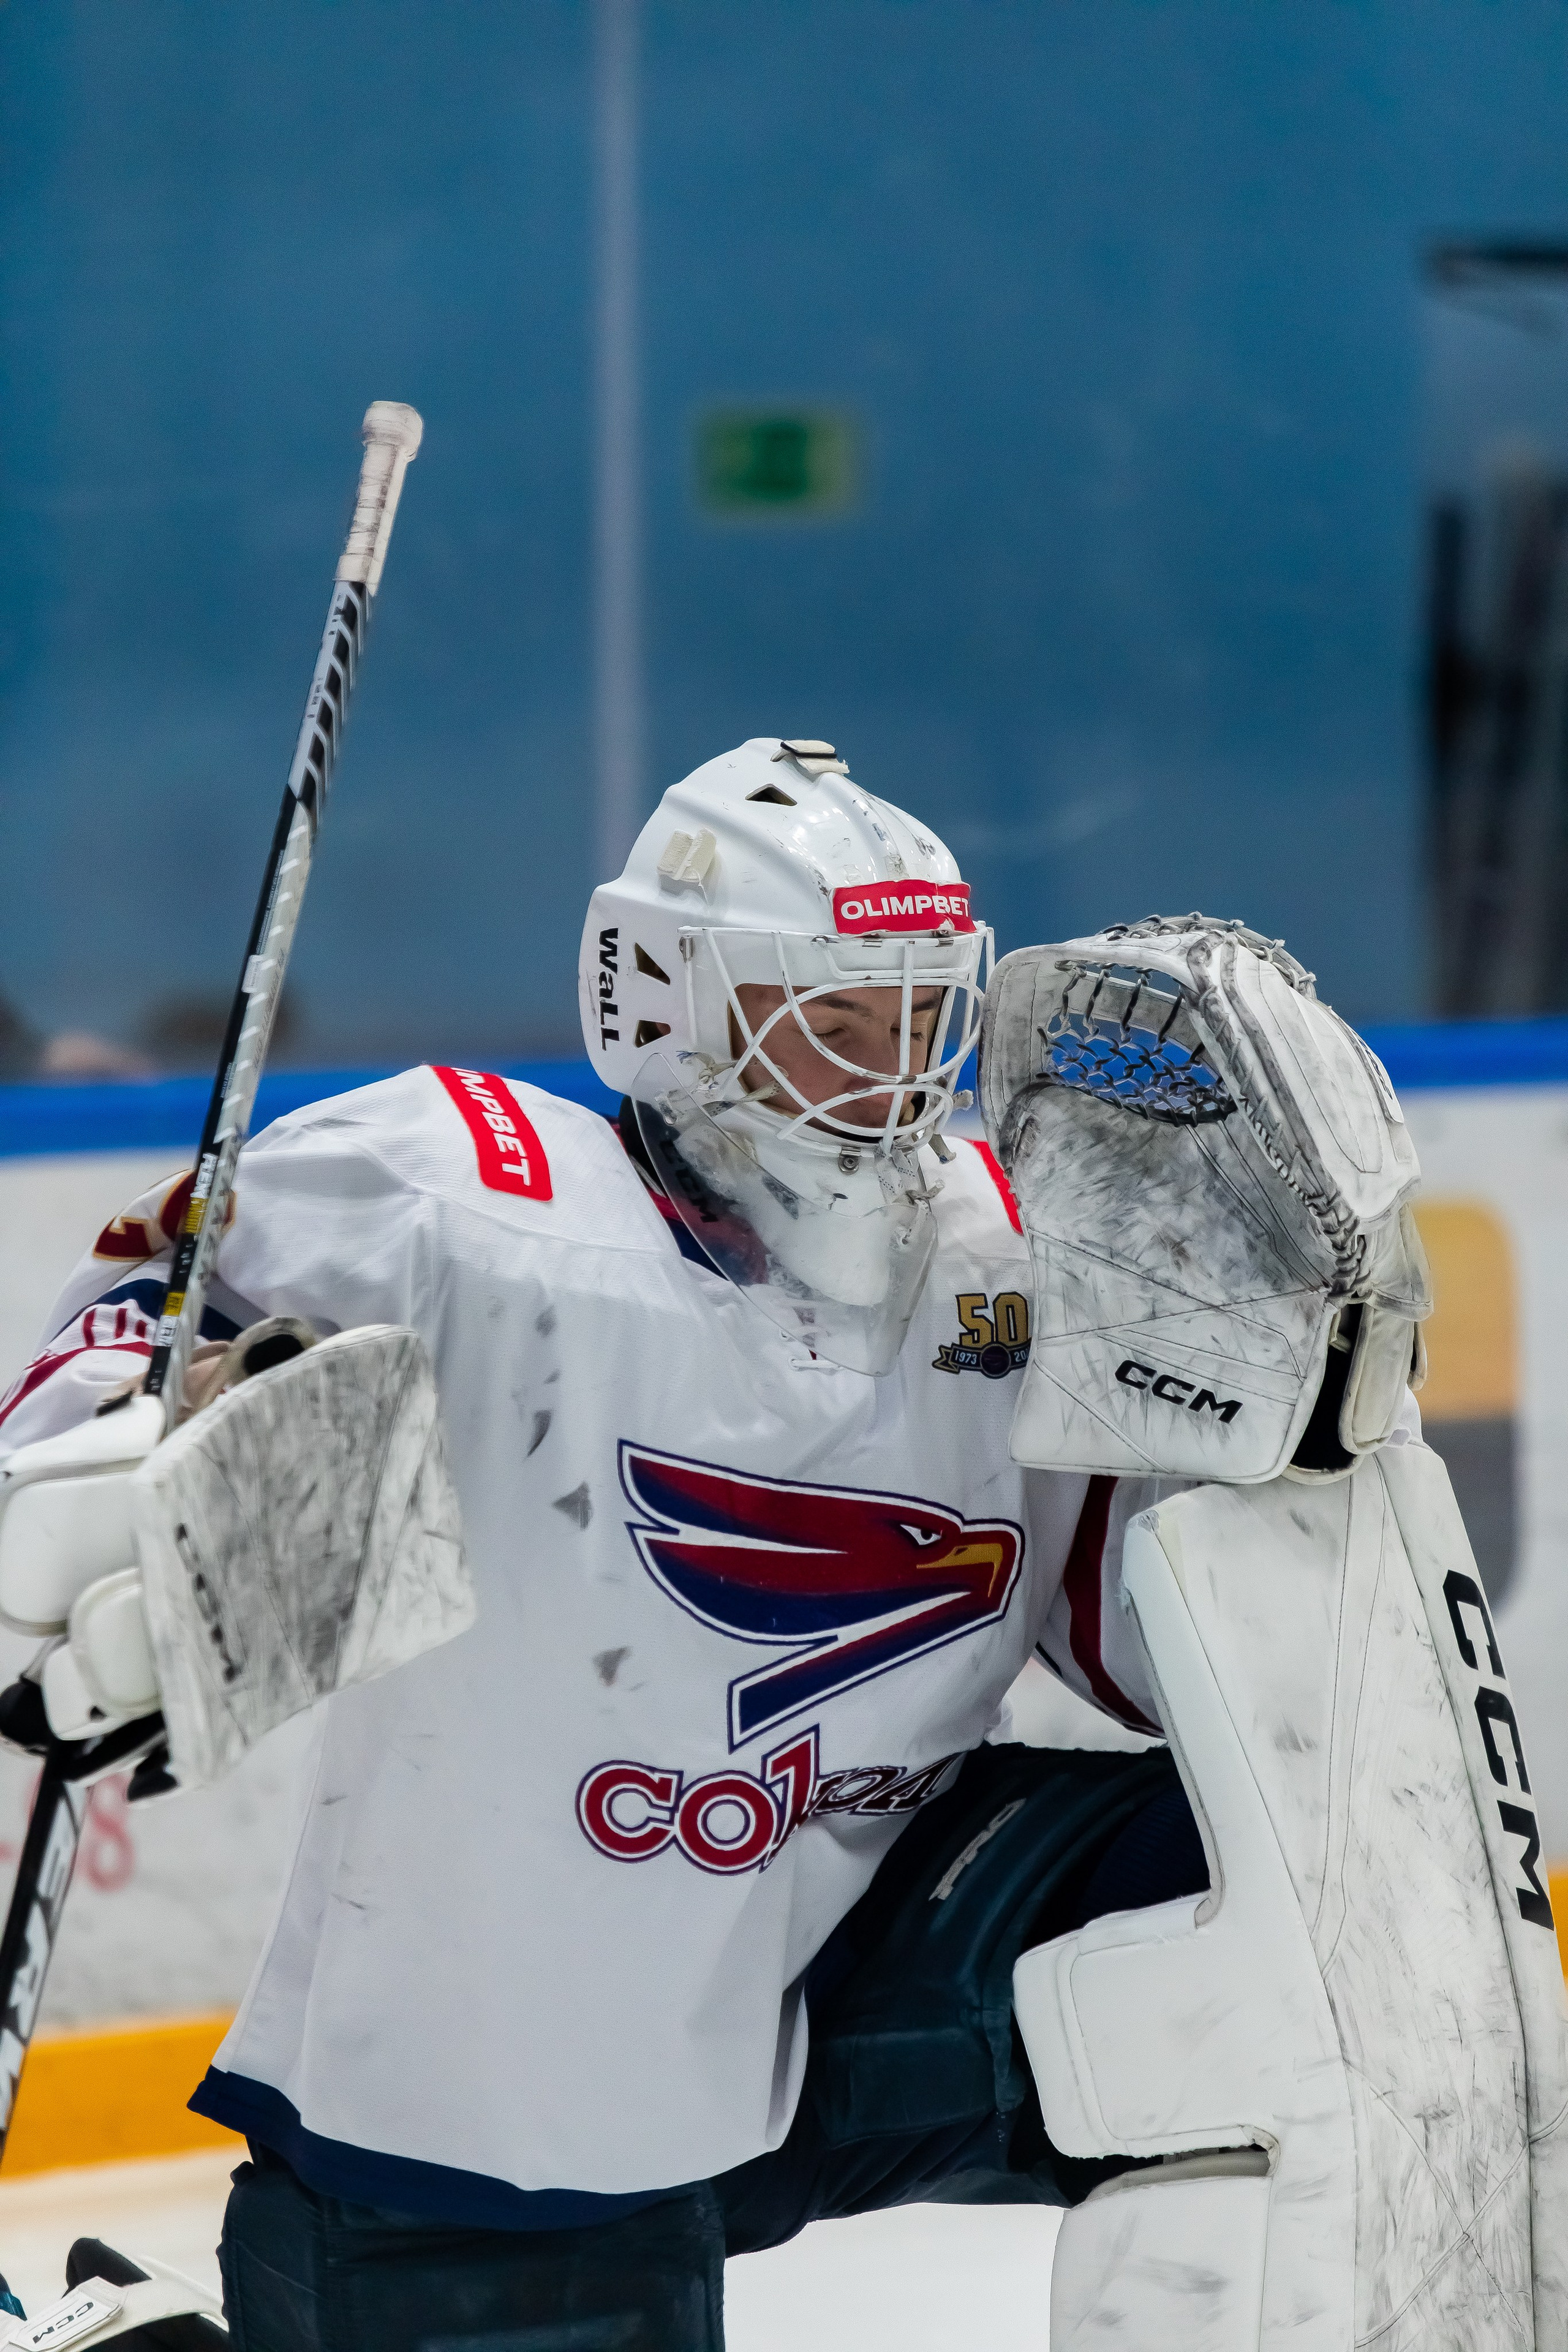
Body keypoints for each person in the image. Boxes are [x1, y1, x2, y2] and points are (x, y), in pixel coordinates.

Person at [0, 741, 1395, 2347]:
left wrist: (1290, 1442)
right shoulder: (474, 1210)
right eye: (835, 1025)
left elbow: (1150, 1636)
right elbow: (164, 1295)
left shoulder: (1002, 1265)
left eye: (922, 1018)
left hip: (839, 1991)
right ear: (665, 1006)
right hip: (505, 2107)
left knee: (1304, 1898)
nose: (892, 1082)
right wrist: (105, 1437)